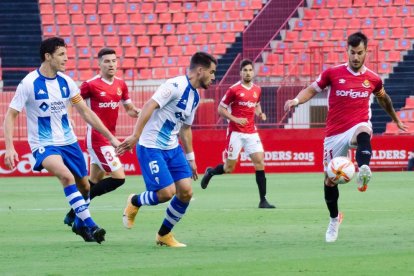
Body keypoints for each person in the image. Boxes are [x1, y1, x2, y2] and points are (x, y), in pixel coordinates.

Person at [284, 32, 407, 242]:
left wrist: (395, 119)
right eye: (352, 53)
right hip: (334, 134)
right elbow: (312, 90)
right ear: (347, 51)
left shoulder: (373, 79)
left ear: (366, 51)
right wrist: (296, 101)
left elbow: (384, 99)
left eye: (360, 53)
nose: (356, 57)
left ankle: (364, 168)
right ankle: (334, 219)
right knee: (329, 181)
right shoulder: (332, 73)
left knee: (364, 131)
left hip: (356, 126)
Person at [3, 37, 121, 244]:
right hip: (43, 143)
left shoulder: (66, 82)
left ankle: (79, 224)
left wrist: (110, 137)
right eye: (61, 55)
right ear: (48, 57)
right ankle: (92, 225)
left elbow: (85, 111)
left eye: (66, 54)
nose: (67, 59)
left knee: (85, 187)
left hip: (69, 142)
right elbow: (11, 115)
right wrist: (10, 147)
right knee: (66, 177)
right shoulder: (29, 83)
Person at [116, 52, 217, 247]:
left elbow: (186, 129)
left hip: (172, 148)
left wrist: (191, 158)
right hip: (151, 146)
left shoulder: (195, 97)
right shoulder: (174, 86)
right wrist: (136, 136)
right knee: (166, 193)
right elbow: (149, 105)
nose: (214, 77)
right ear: (200, 70)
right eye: (212, 72)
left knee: (186, 192)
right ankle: (135, 201)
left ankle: (163, 235)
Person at [63, 48, 141, 226]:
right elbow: (71, 100)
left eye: (114, 61)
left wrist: (138, 112)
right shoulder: (90, 84)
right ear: (99, 64)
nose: (111, 64)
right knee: (119, 178)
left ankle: (72, 213)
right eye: (107, 61)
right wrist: (68, 117)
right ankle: (77, 213)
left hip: (109, 137)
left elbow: (129, 109)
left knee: (93, 182)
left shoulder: (121, 84)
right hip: (97, 138)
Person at [200, 59, 275, 209]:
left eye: (250, 70)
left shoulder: (257, 90)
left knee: (260, 162)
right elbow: (221, 109)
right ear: (240, 72)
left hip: (251, 132)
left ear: (253, 72)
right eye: (245, 70)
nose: (248, 73)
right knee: (229, 168)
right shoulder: (233, 90)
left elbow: (257, 104)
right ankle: (211, 172)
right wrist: (235, 119)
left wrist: (260, 113)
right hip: (236, 132)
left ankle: (263, 200)